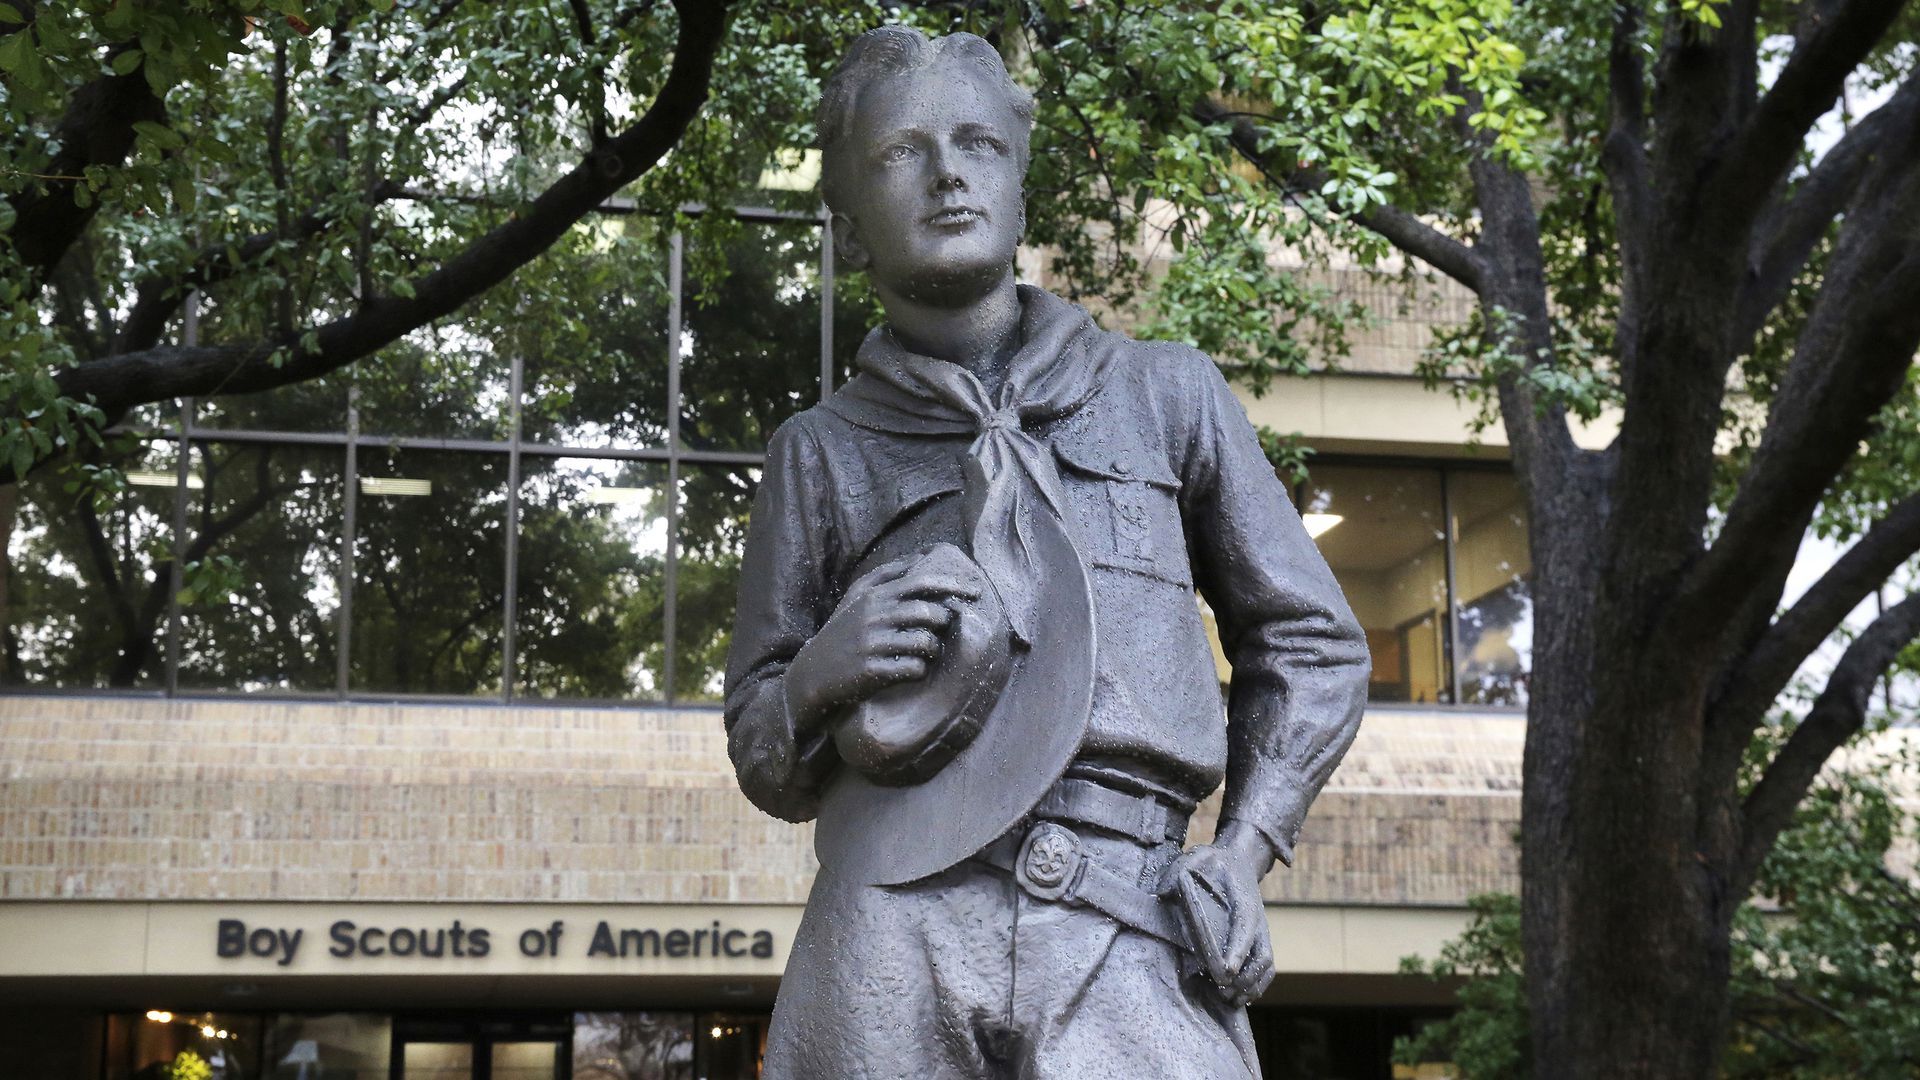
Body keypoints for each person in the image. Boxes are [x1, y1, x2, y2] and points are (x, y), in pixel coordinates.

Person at [723, 26, 1369, 1079]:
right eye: (900, 153)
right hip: (888, 925)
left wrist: (1246, 852)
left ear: (1021, 186)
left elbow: (1311, 643)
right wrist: (818, 677)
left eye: (978, 143)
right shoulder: (819, 454)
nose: (946, 175)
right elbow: (761, 747)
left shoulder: (1166, 395)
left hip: (1130, 916)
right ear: (847, 228)